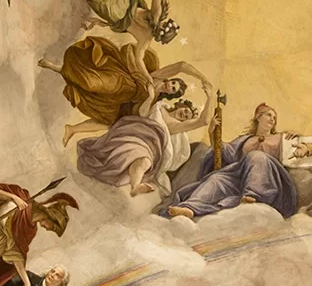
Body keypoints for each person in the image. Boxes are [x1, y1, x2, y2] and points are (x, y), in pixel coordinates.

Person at [38, 15, 193, 147]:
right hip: (117, 77)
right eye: (173, 83)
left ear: (171, 95)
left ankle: (72, 128)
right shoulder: (155, 69)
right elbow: (133, 52)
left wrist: (150, 97)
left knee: (108, 120)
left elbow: (140, 112)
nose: (170, 86)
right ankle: (57, 68)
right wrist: (144, 76)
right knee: (90, 82)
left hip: (118, 98)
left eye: (173, 89)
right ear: (170, 79)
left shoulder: (155, 101)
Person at [77, 78, 214, 197]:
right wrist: (150, 97)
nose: (183, 115)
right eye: (185, 111)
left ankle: (135, 187)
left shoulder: (177, 126)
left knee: (144, 160)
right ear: (180, 105)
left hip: (151, 144)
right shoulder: (160, 107)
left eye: (186, 117)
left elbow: (203, 121)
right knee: (121, 149)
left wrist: (210, 97)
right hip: (136, 132)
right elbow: (143, 113)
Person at [162, 103, 299, 220]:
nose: (273, 119)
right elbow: (226, 152)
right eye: (269, 115)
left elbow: (297, 153)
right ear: (258, 117)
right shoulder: (244, 140)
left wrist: (294, 139)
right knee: (216, 178)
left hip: (267, 180)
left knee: (256, 156)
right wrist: (212, 132)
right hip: (238, 176)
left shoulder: (281, 137)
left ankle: (252, 195)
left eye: (274, 118)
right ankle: (190, 208)